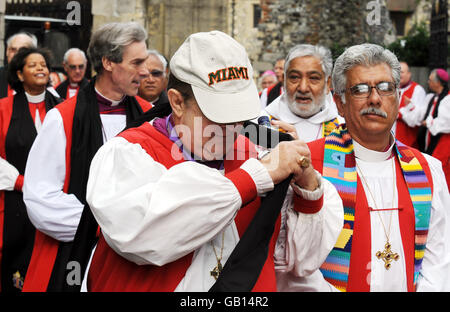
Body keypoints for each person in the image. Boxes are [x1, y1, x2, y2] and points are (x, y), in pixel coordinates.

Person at [84, 30, 343, 292]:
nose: (231, 127)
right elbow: (142, 237)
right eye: (218, 116)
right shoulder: (129, 153)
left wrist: (306, 185)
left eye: (239, 115)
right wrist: (255, 177)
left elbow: (300, 262)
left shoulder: (258, 150)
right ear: (176, 102)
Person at [288, 43, 450, 292]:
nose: (375, 98)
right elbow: (293, 264)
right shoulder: (307, 165)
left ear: (397, 97)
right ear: (339, 102)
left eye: (386, 88)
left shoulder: (428, 170)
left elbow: (439, 260)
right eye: (360, 89)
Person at [21, 22, 154, 292]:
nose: (145, 72)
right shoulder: (63, 118)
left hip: (139, 259)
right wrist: (107, 227)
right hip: (78, 256)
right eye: (136, 62)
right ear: (107, 61)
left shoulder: (149, 115)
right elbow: (40, 197)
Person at [0, 47, 61, 292]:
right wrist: (20, 182)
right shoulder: (2, 109)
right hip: (12, 201)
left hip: (53, 200)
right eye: (33, 65)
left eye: (44, 64)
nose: (40, 68)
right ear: (19, 73)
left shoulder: (64, 108)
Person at [260, 44, 342, 142]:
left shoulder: (344, 129)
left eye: (313, 78)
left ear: (327, 84)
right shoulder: (260, 126)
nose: (303, 88)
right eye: (295, 77)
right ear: (284, 81)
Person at [417, 68, 450, 191]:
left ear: (438, 83)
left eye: (430, 80)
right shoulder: (432, 97)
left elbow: (446, 122)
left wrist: (429, 122)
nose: (428, 82)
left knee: (440, 172)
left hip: (443, 142)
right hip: (430, 140)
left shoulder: (448, 99)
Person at [393, 61, 426, 148]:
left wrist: (398, 114)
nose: (399, 75)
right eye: (397, 72)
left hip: (407, 141)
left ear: (409, 74)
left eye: (402, 72)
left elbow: (417, 119)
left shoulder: (418, 90)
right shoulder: (392, 88)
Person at [0, 32, 38, 98]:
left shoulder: (40, 77)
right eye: (13, 50)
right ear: (7, 51)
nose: (17, 54)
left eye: (22, 50)